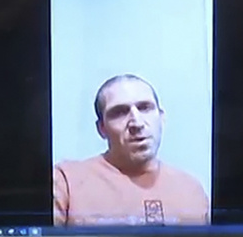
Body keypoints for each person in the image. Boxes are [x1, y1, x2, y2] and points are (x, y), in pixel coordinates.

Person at [52, 74, 211, 228]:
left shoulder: (192, 190)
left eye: (145, 108)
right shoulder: (66, 181)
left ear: (162, 118)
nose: (137, 123)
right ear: (102, 129)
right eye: (120, 112)